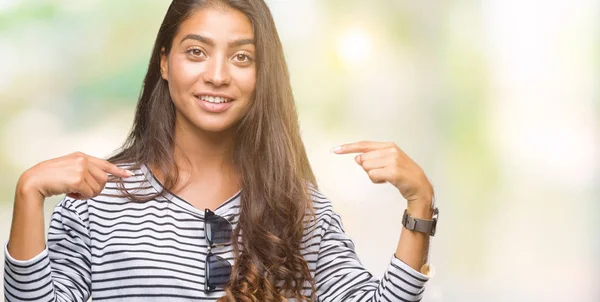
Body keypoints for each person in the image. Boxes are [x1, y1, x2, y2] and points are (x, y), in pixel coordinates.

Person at [4, 0, 438, 301]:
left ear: (261, 74)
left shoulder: (303, 212)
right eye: (196, 52)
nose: (217, 75)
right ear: (163, 62)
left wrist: (420, 205)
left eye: (241, 58)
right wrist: (28, 195)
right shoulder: (96, 203)